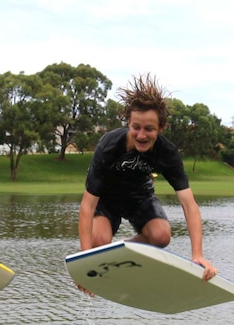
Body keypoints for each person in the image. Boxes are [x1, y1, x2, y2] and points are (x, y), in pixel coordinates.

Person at [77, 73, 216, 284]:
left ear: (161, 128)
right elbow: (87, 206)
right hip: (107, 200)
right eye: (136, 127)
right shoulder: (109, 146)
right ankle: (106, 251)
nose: (142, 135)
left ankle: (127, 246)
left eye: (149, 129)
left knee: (161, 236)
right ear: (128, 124)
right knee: (98, 240)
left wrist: (197, 255)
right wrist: (84, 264)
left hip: (140, 197)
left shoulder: (167, 153)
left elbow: (189, 205)